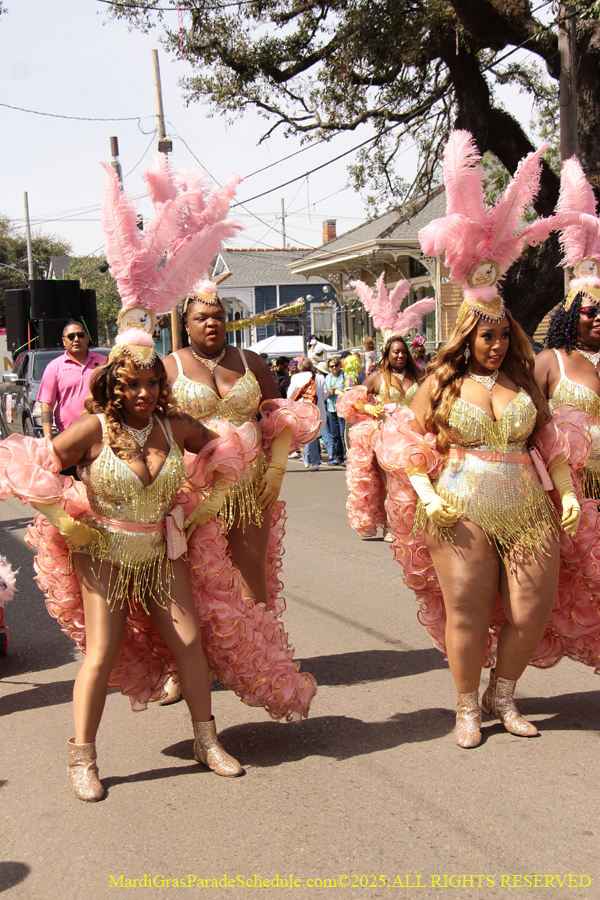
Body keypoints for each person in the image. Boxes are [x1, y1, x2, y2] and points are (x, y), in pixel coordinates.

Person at [376, 131, 582, 749]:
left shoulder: (524, 378)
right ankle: (467, 706)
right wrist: (423, 489)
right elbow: (402, 441)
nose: (494, 343)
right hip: (459, 506)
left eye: (501, 333)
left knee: (529, 609)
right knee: (466, 613)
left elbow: (549, 439)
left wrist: (566, 491)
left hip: (526, 506)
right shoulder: (438, 382)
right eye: (483, 335)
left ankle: (504, 693)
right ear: (466, 334)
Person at [163, 281, 320, 614]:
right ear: (186, 325)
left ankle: (257, 661)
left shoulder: (250, 363)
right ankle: (211, 662)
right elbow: (157, 429)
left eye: (218, 316)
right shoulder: (168, 368)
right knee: (201, 580)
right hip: (193, 493)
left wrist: (277, 469)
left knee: (252, 576)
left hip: (251, 489)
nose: (212, 323)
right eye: (202, 317)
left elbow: (278, 416)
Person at [338, 276, 433, 540]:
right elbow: (352, 399)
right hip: (385, 436)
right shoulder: (378, 377)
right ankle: (391, 525)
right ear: (387, 354)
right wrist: (370, 411)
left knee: (412, 480)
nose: (401, 356)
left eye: (404, 352)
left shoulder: (418, 377)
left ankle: (412, 521)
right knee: (388, 482)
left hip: (412, 434)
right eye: (396, 352)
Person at [38, 321, 106, 438]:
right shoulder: (54, 367)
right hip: (68, 435)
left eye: (80, 335)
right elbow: (47, 406)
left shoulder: (104, 363)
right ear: (64, 341)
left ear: (87, 338)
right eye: (71, 336)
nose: (76, 339)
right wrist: (47, 438)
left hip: (102, 432)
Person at [286, 357, 327, 471]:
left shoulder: (295, 377)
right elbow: (325, 393)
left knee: (305, 434)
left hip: (301, 409)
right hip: (316, 408)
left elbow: (290, 394)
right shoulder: (319, 377)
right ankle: (308, 458)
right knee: (312, 434)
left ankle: (313, 460)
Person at [325, 357, 346, 466]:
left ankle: (348, 457)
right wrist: (329, 392)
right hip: (331, 407)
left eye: (336, 365)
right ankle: (338, 457)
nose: (334, 368)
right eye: (331, 366)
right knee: (335, 434)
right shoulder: (327, 377)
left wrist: (338, 390)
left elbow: (349, 388)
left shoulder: (344, 375)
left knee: (344, 434)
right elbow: (324, 392)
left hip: (342, 407)